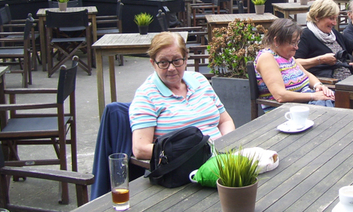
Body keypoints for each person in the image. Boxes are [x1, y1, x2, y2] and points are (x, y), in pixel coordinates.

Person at [129, 32, 235, 160]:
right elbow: (140, 148)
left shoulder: (199, 80)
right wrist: (188, 153)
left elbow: (225, 121)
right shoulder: (146, 95)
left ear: (185, 59)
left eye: (177, 60)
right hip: (183, 168)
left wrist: (226, 144)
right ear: (153, 63)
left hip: (222, 156)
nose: (171, 68)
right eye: (163, 63)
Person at [254, 18, 335, 110]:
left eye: (297, 42)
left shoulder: (287, 57)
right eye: (293, 43)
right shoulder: (267, 58)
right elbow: (280, 95)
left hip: (307, 104)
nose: (296, 47)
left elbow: (307, 75)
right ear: (276, 41)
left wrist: (319, 86)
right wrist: (314, 96)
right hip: (288, 110)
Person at [295, 0, 353, 80]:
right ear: (317, 17)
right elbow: (294, 63)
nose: (334, 23)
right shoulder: (305, 35)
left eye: (335, 18)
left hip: (348, 79)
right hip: (329, 84)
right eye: (331, 18)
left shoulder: (333, 33)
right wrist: (320, 60)